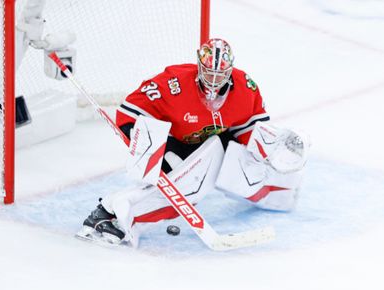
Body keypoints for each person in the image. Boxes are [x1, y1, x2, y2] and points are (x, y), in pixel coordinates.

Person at [78, 38, 308, 246]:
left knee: (247, 175)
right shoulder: (174, 83)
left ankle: (283, 192)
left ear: (230, 70)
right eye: (209, 73)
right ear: (199, 65)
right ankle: (117, 215)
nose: (214, 81)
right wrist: (156, 150)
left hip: (215, 144)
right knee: (190, 188)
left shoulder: (245, 88)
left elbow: (251, 128)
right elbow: (130, 112)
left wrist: (267, 149)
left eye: (221, 74)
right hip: (176, 145)